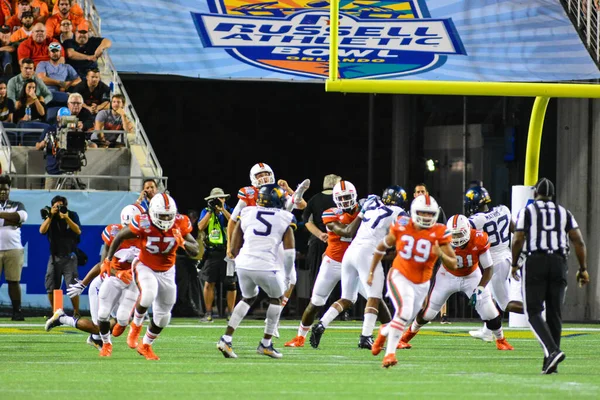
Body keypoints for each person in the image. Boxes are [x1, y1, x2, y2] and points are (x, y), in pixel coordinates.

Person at [309, 186, 407, 349]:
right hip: (368, 253)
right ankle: (365, 336)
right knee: (374, 297)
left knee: (347, 298)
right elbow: (406, 230)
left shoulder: (371, 205)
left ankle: (321, 324)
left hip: (350, 253)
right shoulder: (397, 211)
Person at [398, 214, 514, 352]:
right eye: (454, 235)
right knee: (429, 313)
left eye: (459, 234)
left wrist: (480, 288)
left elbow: (488, 268)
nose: (457, 239)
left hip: (472, 276)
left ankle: (501, 340)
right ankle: (404, 338)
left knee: (489, 311)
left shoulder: (479, 238)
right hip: (447, 275)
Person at [106, 193, 199, 360]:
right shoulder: (143, 221)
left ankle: (146, 345)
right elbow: (120, 236)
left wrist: (183, 243)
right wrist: (108, 259)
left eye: (168, 216)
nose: (165, 219)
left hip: (167, 271)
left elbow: (195, 250)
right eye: (162, 215)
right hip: (144, 265)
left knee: (164, 316)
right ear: (153, 213)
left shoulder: (180, 223)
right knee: (148, 294)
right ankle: (135, 326)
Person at [368, 194, 458, 368]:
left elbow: (453, 264)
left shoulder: (440, 232)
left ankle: (384, 331)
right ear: (414, 212)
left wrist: (440, 253)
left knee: (405, 318)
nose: (426, 217)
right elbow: (381, 247)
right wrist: (371, 272)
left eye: (430, 214)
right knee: (404, 311)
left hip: (422, 283)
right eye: (423, 213)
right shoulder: (402, 226)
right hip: (400, 275)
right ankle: (390, 354)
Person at [511, 178, 590, 374]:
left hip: (535, 260)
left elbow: (518, 238)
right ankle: (549, 362)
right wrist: (583, 268)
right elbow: (578, 241)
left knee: (533, 312)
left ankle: (553, 351)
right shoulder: (564, 212)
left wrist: (514, 264)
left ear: (535, 193)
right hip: (559, 262)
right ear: (552, 195)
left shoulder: (527, 211)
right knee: (554, 313)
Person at [216, 183, 295, 359]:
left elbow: (236, 240)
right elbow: (289, 253)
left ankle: (226, 338)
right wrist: (288, 275)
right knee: (277, 298)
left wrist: (235, 255)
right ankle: (266, 344)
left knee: (248, 297)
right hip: (266, 265)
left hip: (243, 263)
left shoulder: (248, 211)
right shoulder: (284, 217)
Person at [285, 180, 363, 348]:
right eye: (341, 198)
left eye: (348, 197)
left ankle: (324, 325)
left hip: (354, 263)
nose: (345, 201)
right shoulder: (330, 213)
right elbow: (346, 231)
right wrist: (364, 214)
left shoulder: (362, 211)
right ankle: (300, 337)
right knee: (316, 302)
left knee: (355, 299)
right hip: (333, 262)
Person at [464, 185, 524, 342]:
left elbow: (462, 232)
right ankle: (487, 331)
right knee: (492, 297)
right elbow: (516, 230)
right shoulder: (503, 209)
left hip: (495, 264)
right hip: (508, 258)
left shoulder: (477, 220)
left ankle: (538, 310)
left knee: (505, 304)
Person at [413, 183, 450, 324]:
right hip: (420, 252)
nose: (421, 193)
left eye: (423, 191)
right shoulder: (412, 210)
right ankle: (423, 313)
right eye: (418, 191)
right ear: (414, 195)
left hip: (435, 251)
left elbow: (444, 229)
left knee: (441, 282)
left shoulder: (436, 209)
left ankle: (443, 314)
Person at [39, 195, 82, 316]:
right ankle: (56, 312)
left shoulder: (72, 215)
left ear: (66, 206)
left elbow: (78, 231)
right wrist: (50, 216)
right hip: (54, 256)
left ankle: (76, 312)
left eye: (61, 206)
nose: (59, 208)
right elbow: (42, 230)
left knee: (72, 286)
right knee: (51, 286)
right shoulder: (50, 216)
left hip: (69, 256)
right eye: (56, 206)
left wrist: (67, 218)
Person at [197, 188, 234, 322]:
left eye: (221, 198)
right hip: (212, 252)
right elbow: (200, 226)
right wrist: (211, 210)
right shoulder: (206, 212)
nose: (219, 201)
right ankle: (208, 313)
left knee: (231, 284)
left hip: (228, 251)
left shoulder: (230, 210)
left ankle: (231, 314)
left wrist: (223, 209)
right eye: (216, 199)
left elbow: (235, 223)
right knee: (209, 283)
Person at [302, 174, 340, 287]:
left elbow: (307, 221)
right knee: (339, 279)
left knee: (316, 277)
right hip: (338, 242)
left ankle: (316, 303)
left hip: (318, 242)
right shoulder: (341, 199)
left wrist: (320, 235)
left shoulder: (314, 199)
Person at [0, 174, 28, 320]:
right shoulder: (13, 208)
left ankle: (17, 311)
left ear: (9, 190)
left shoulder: (17, 204)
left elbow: (22, 217)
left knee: (13, 281)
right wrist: (11, 219)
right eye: (0, 190)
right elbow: (15, 219)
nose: (3, 192)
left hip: (13, 248)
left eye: (6, 190)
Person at [173, 209, 202, 317]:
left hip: (178, 260)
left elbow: (195, 249)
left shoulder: (180, 224)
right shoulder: (148, 224)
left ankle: (186, 307)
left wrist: (182, 241)